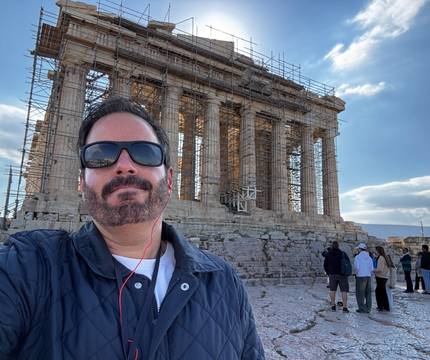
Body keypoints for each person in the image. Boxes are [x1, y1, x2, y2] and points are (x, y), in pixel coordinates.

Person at [0, 97, 264, 359]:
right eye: (101, 156)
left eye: (145, 153)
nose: (124, 165)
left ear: (169, 180)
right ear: (81, 182)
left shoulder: (223, 282)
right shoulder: (28, 268)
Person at [324, 241, 351, 313]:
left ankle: (333, 306)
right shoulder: (343, 253)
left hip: (332, 275)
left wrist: (328, 273)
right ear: (338, 246)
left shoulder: (328, 254)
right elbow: (348, 263)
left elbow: (325, 265)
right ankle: (344, 307)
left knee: (332, 290)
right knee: (344, 291)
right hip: (342, 275)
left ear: (332, 246)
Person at [353, 243, 374, 313]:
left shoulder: (357, 257)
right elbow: (372, 269)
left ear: (359, 249)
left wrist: (356, 274)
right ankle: (368, 308)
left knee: (360, 293)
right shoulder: (369, 258)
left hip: (360, 277)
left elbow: (357, 268)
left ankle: (362, 308)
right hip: (368, 277)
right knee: (368, 293)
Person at [374, 246, 390, 312]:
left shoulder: (381, 258)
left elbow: (380, 269)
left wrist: (372, 270)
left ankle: (381, 306)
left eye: (375, 250)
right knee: (382, 292)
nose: (375, 252)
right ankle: (385, 307)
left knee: (379, 292)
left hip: (381, 276)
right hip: (384, 277)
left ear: (378, 251)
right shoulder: (384, 257)